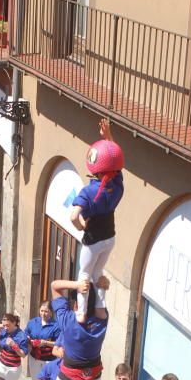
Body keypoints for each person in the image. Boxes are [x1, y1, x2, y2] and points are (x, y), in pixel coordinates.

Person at [70, 118, 124, 322]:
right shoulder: (118, 184)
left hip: (93, 240)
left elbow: (74, 216)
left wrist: (81, 226)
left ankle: (81, 313)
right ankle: (100, 308)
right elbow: (114, 158)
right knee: (98, 273)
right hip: (110, 237)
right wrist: (108, 137)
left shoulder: (88, 191)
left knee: (84, 274)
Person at [0, 313, 29, 380]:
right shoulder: (3, 331)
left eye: (8, 325)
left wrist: (14, 346)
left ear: (14, 322)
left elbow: (23, 355)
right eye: (4, 325)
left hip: (13, 368)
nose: (5, 328)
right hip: (1, 364)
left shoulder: (22, 336)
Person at [24, 301, 60, 380]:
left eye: (46, 311)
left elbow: (59, 343)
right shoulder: (33, 322)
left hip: (49, 360)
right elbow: (25, 333)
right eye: (42, 311)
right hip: (34, 357)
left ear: (51, 312)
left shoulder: (56, 326)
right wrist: (28, 339)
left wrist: (45, 342)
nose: (43, 314)